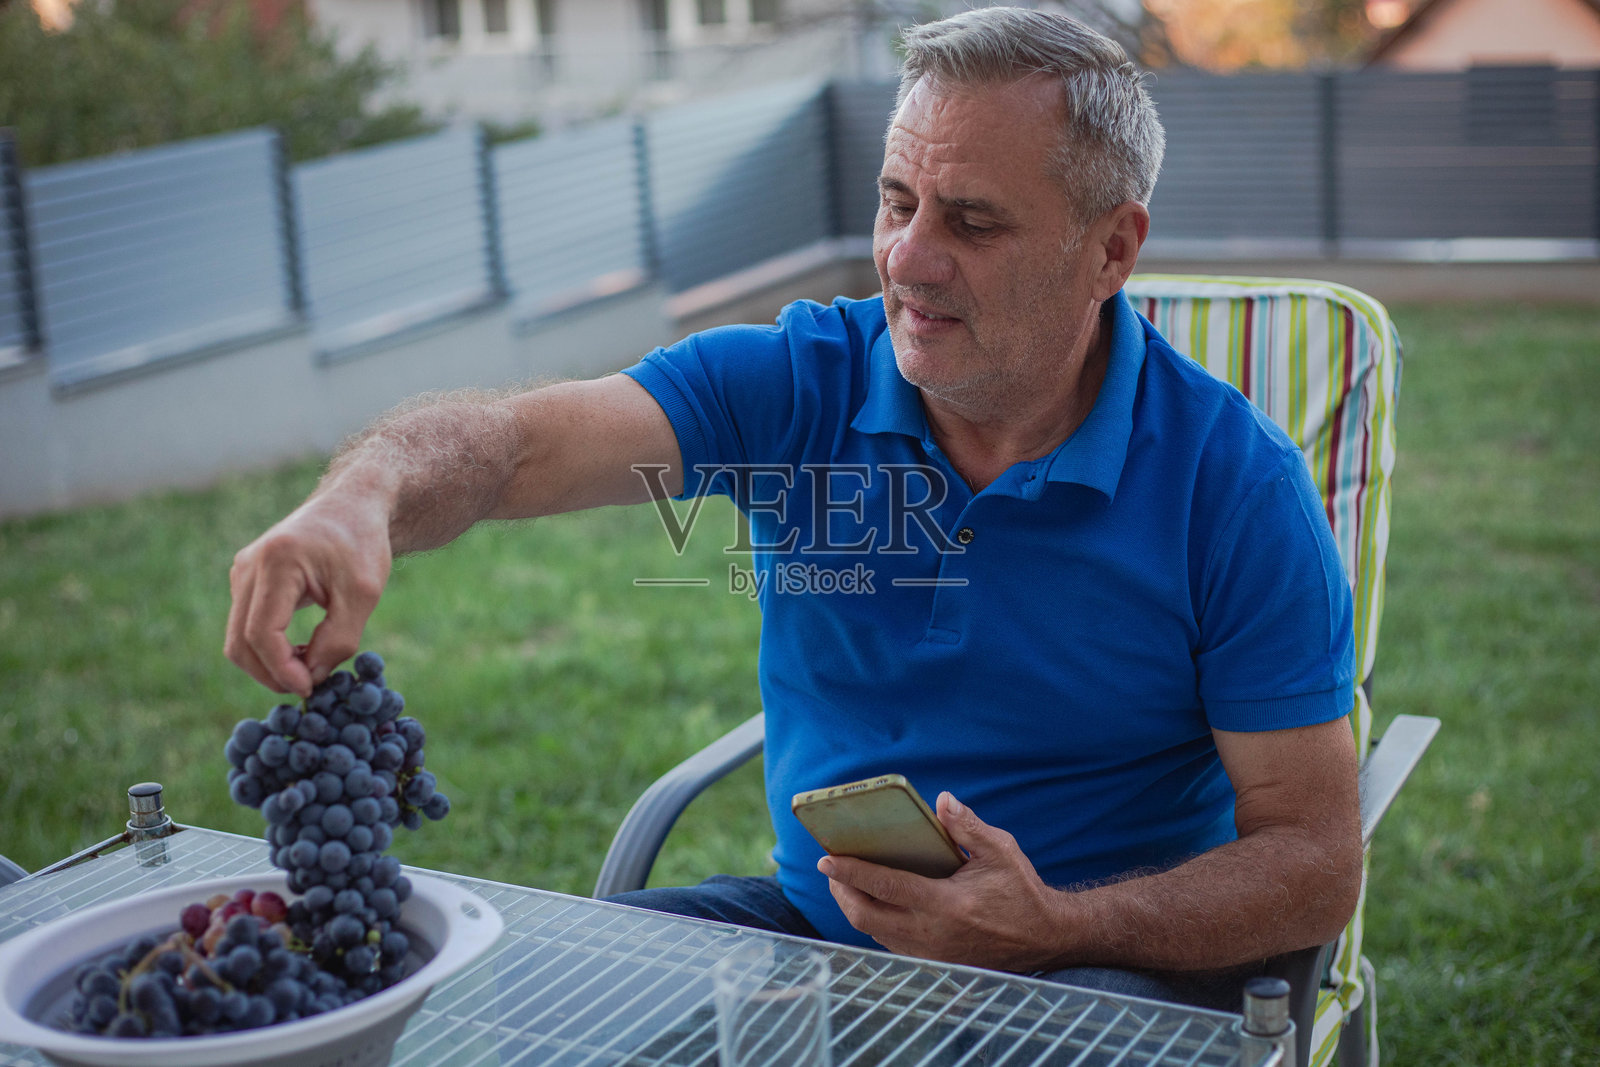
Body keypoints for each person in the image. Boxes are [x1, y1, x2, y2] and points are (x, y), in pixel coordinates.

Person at [225, 6, 1361, 1012]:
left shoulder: (1236, 485)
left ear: (1109, 247)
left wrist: (1058, 923)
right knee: (523, 1007)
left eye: (971, 223)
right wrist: (360, 496)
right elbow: (516, 446)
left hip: (1105, 972)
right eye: (896, 200)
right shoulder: (803, 377)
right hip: (820, 940)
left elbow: (1314, 858)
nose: (907, 260)